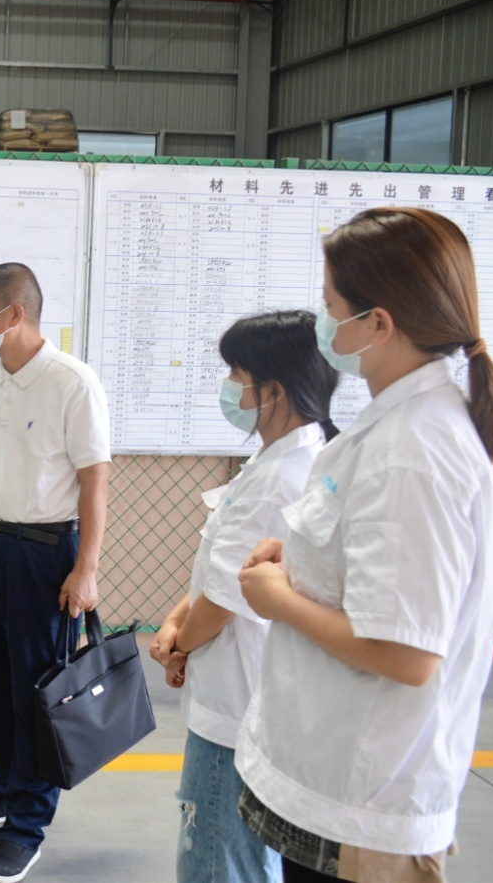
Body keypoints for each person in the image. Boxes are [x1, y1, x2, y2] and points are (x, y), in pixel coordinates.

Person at [235, 208, 493, 883]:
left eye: (331, 308)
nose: (324, 323)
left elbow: (407, 653)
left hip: (366, 803)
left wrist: (279, 600)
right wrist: (296, 563)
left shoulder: (413, 452)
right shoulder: (396, 424)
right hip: (336, 783)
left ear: (377, 323)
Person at [150, 310, 338, 883]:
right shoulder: (280, 459)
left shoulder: (281, 477)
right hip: (242, 690)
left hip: (235, 704)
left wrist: (180, 644)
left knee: (216, 859)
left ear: (272, 390)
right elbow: (221, 570)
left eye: (236, 374)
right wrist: (177, 622)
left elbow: (225, 599)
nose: (229, 386)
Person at [0, 263, 111, 883]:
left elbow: (95, 480)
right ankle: (7, 791)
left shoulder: (72, 382)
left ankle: (27, 829)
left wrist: (86, 567)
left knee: (38, 695)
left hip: (45, 553)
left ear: (13, 312)